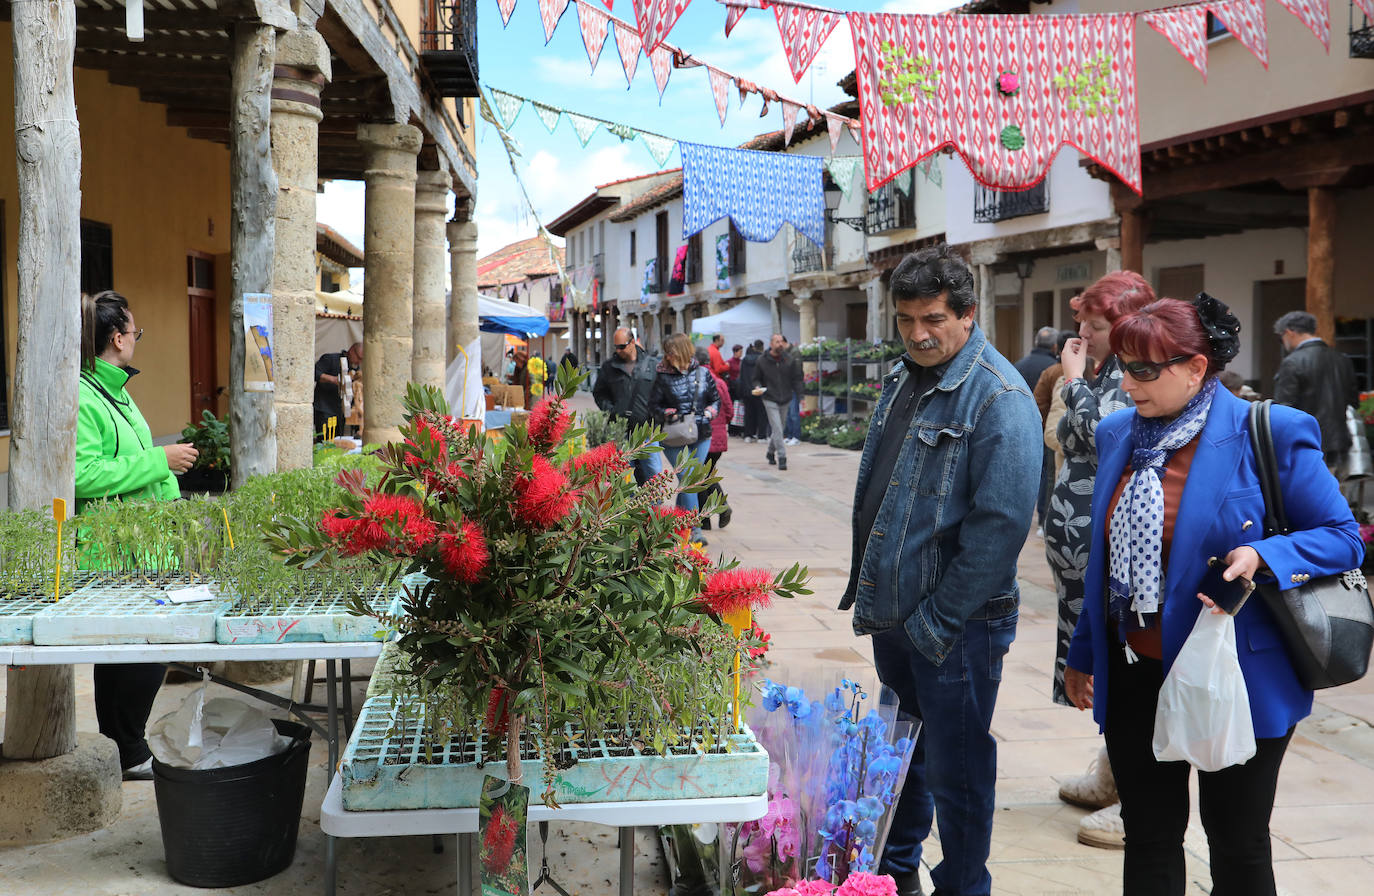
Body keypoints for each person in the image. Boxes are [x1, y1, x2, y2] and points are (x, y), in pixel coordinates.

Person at [1065, 296, 1362, 896]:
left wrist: (1265, 556)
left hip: (1236, 672)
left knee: (1237, 839)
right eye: (1123, 365)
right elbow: (1103, 562)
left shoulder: (1269, 431)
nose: (1127, 383)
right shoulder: (1118, 432)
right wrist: (1082, 652)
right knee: (1147, 835)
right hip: (1135, 670)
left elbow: (1343, 537)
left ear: (1197, 367)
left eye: (1145, 370)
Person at [839, 245, 1041, 896]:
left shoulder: (1000, 397)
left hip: (956, 626)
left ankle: (962, 887)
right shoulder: (905, 376)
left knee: (957, 772)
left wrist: (937, 620)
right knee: (904, 762)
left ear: (967, 314)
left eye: (931, 319)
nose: (918, 335)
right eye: (905, 321)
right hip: (895, 615)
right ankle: (896, 877)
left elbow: (1002, 528)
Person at [1043, 272, 1156, 847]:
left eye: (1095, 323)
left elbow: (1095, 431)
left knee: (1121, 666)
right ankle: (1113, 773)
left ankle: (1136, 794)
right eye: (1084, 320)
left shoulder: (1133, 374)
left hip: (1108, 548)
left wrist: (1072, 381)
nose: (1083, 331)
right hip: (1076, 545)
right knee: (1098, 660)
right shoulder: (1105, 371)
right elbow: (1063, 434)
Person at [76, 291, 200, 781]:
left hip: (145, 542)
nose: (137, 341)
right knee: (141, 652)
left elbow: (128, 463)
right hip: (116, 548)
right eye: (136, 332)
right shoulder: (87, 394)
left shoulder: (114, 390)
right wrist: (161, 460)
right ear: (118, 338)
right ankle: (126, 750)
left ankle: (123, 749)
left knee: (131, 652)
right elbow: (84, 474)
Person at [650, 333, 720, 545]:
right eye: (666, 352)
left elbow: (715, 399)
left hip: (701, 433)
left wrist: (711, 411)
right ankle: (694, 529)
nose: (668, 356)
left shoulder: (702, 373)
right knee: (688, 481)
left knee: (689, 482)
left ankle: (680, 526)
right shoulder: (661, 375)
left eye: (671, 352)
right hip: (673, 435)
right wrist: (665, 412)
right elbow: (653, 406)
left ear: (680, 351)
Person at [1271, 310, 1359, 471]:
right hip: (1339, 441)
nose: (1282, 343)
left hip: (1306, 441)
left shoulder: (1292, 362)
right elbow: (1354, 401)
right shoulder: (1342, 359)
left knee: (1307, 493)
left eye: (1280, 338)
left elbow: (1283, 408)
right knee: (1333, 491)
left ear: (1289, 332)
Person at [592, 327, 660, 485]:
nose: (618, 350)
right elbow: (599, 393)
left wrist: (656, 418)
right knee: (621, 476)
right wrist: (611, 409)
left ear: (633, 342)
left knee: (654, 475)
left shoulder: (652, 365)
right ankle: (625, 508)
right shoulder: (609, 367)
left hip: (646, 431)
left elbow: (661, 393)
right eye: (616, 347)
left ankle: (654, 509)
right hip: (619, 431)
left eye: (621, 346)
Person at [1016, 326, 1061, 532]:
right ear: (1054, 346)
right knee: (1046, 474)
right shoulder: (1056, 369)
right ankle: (1043, 517)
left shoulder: (1018, 366)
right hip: (1046, 429)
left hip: (1019, 426)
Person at [695, 347, 734, 531]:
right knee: (704, 476)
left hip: (703, 436)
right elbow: (729, 410)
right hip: (718, 438)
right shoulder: (719, 382)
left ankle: (719, 510)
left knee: (702, 477)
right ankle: (705, 520)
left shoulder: (697, 381)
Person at [753, 333, 803, 470]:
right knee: (778, 427)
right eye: (777, 342)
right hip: (769, 397)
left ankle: (770, 452)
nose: (780, 344)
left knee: (779, 428)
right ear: (771, 344)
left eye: (781, 341)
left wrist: (800, 396)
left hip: (786, 398)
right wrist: (757, 386)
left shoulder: (789, 359)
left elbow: (797, 378)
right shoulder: (762, 360)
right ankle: (782, 457)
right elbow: (756, 378)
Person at [313, 341, 362, 440]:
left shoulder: (355, 369)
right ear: (352, 351)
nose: (359, 362)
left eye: (361, 360)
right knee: (325, 441)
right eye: (358, 358)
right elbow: (314, 373)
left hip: (340, 412)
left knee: (337, 441)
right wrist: (333, 379)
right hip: (324, 409)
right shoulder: (330, 359)